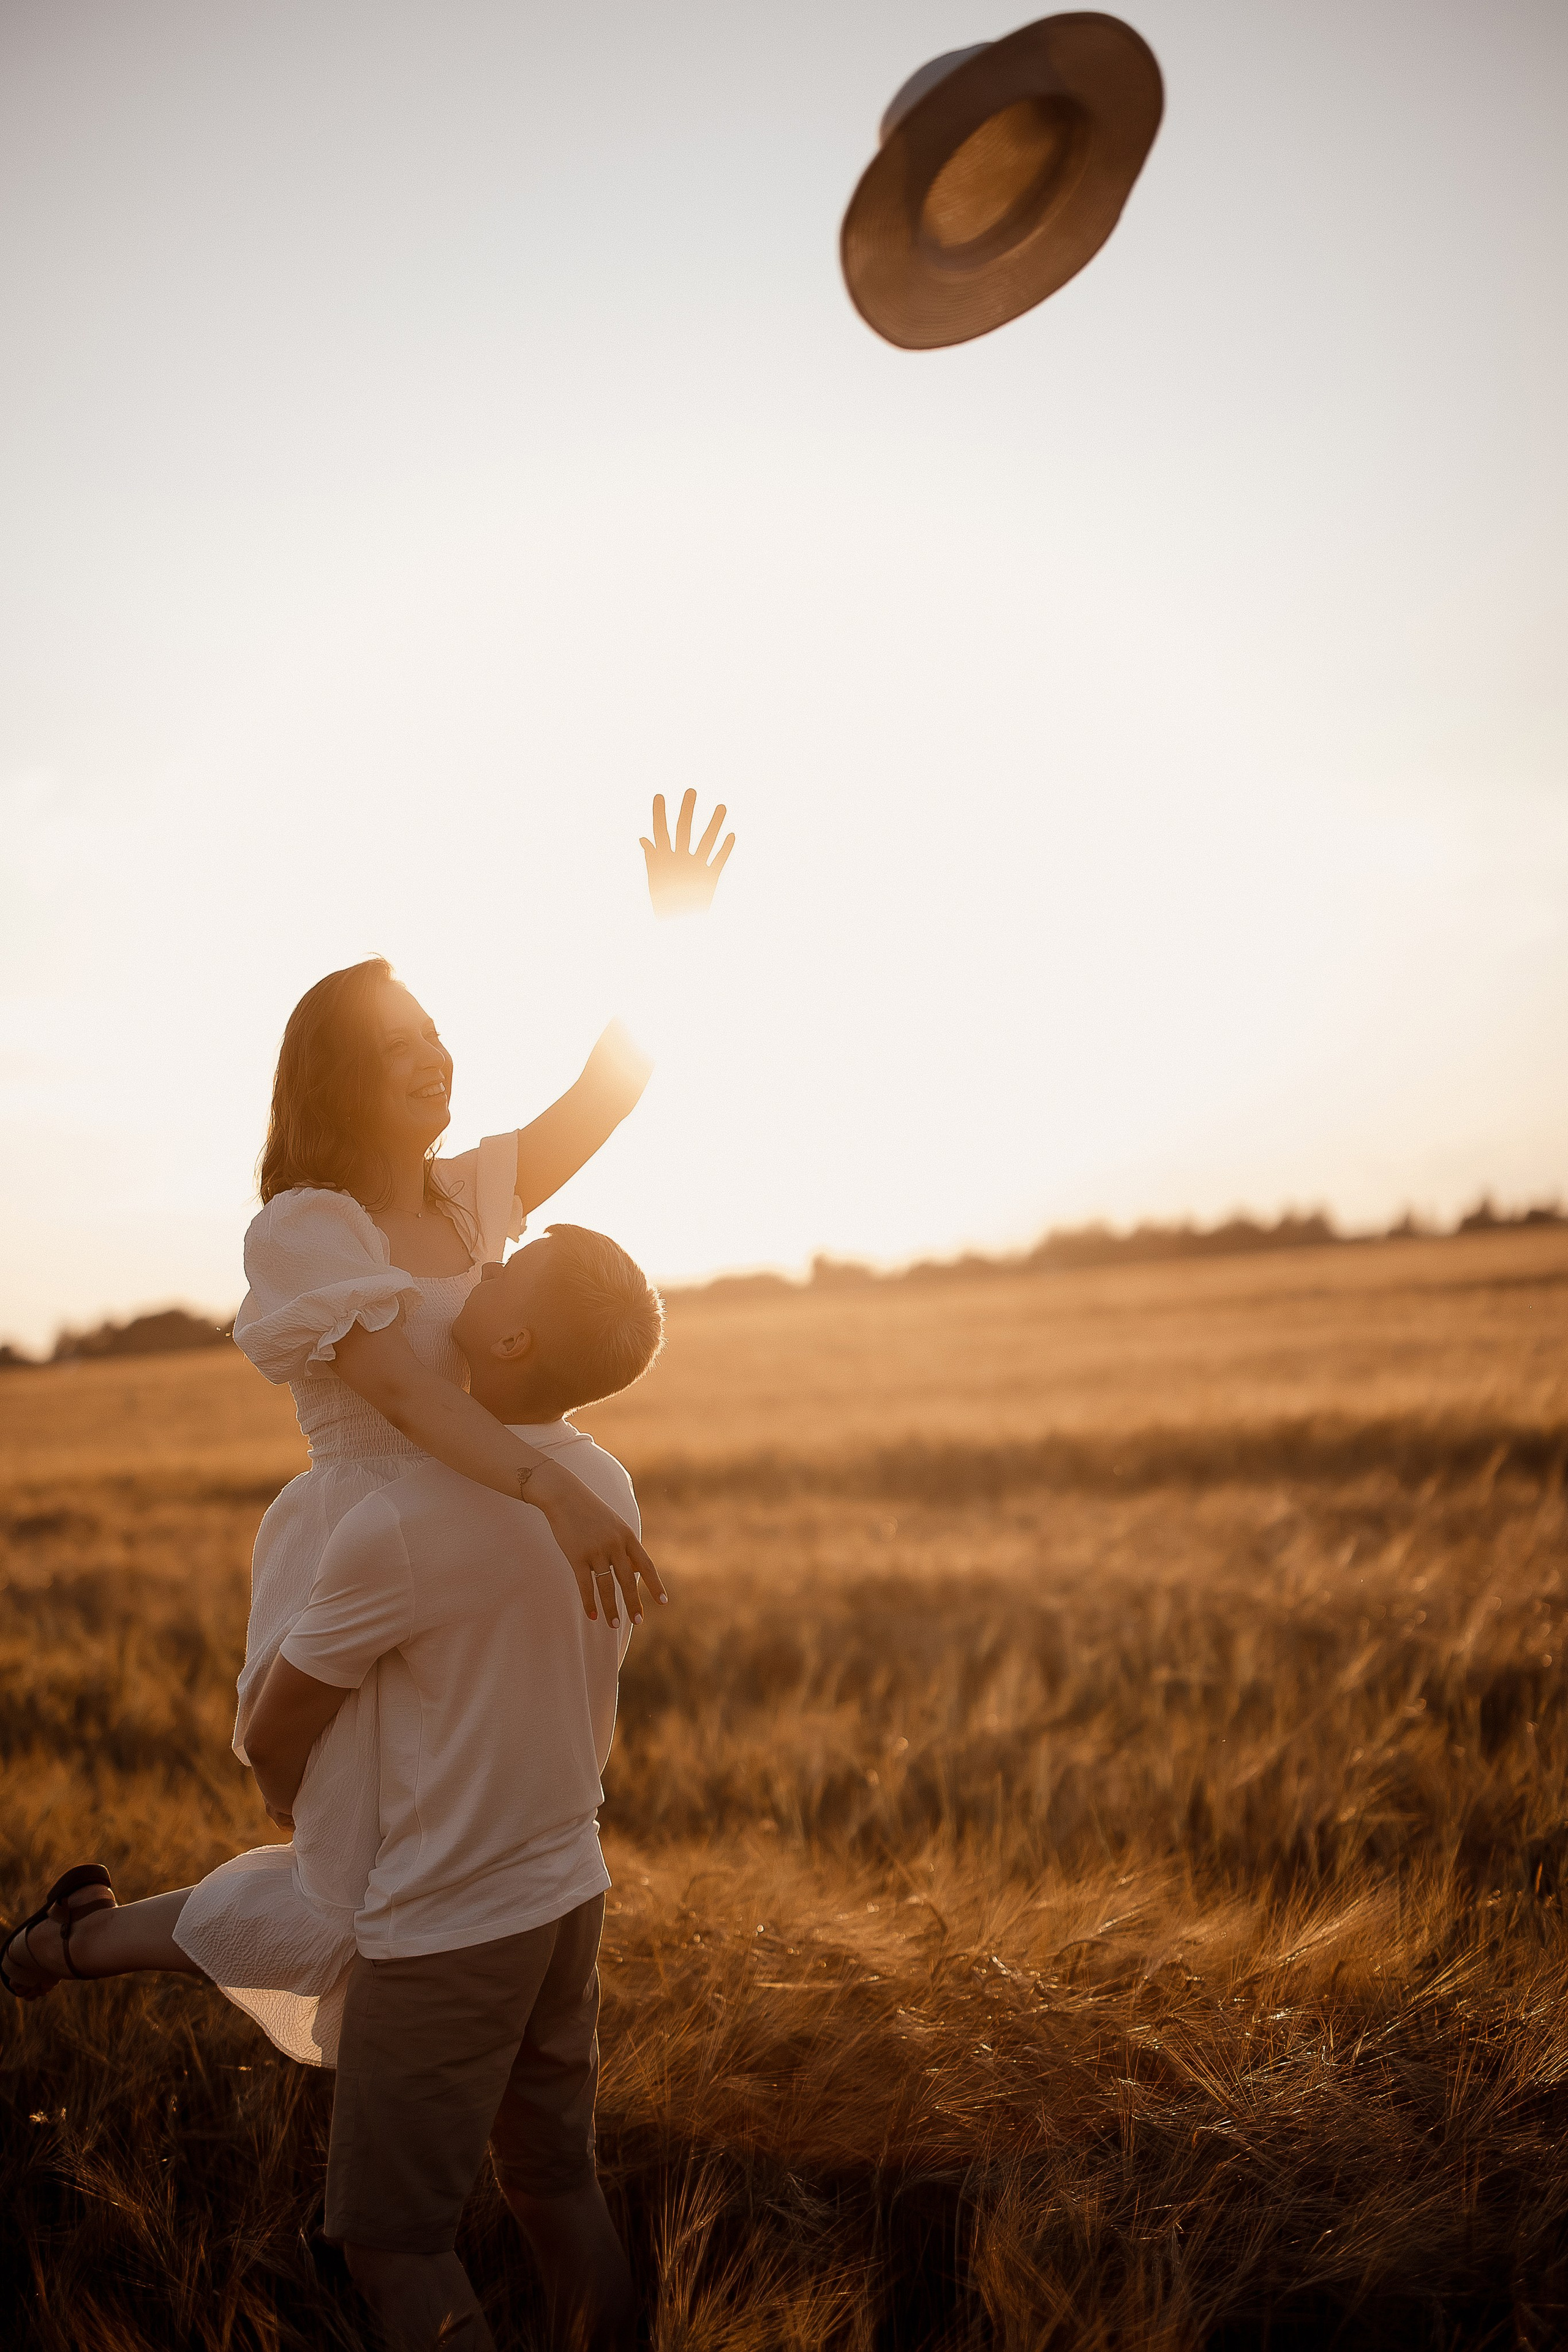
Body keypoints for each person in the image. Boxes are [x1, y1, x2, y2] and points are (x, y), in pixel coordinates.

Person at [0, 791, 731, 2064]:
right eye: (401, 1043)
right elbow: (402, 1394)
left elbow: (604, 1095)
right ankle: (85, 1952)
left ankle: (84, 1939)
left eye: (438, 1032)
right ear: (338, 1074)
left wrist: (673, 937)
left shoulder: (468, 1195)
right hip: (375, 1542)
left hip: (471, 1546)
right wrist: (549, 1493)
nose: (435, 1054)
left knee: (408, 1886)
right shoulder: (305, 1229)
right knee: (355, 1884)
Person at [9, 1227, 660, 2352]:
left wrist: (284, 1792)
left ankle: (68, 1943)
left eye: (510, 1265)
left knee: (394, 2244)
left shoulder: (403, 1521)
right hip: (568, 1897)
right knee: (559, 2190)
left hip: (451, 1928)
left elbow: (278, 1725)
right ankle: (75, 1941)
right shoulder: (598, 1484)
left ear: (507, 1336)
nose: (483, 1260)